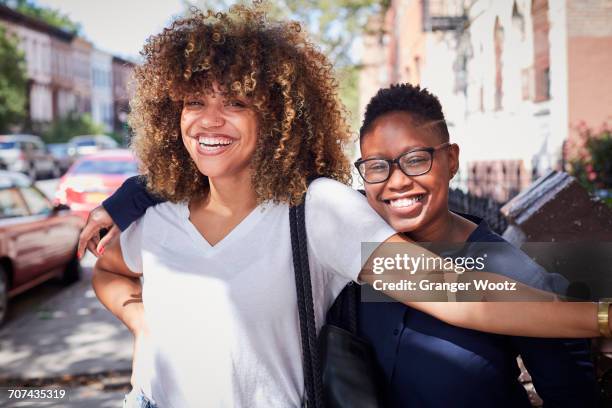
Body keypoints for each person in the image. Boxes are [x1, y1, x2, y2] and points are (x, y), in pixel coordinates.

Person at [86, 5, 605, 408]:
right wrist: (143, 323)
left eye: (236, 102)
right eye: (194, 102)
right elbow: (109, 272)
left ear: (278, 116)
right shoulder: (154, 216)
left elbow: (454, 291)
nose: (209, 119)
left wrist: (601, 317)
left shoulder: (314, 210)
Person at [354, 83, 597, 407]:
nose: (397, 181)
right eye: (377, 166)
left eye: (415, 160)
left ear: (451, 160)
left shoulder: (517, 275)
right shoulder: (355, 256)